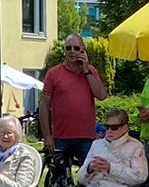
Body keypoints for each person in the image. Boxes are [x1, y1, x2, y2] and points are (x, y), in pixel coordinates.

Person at [39, 34, 106, 171]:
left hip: (86, 137)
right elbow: (44, 105)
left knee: (90, 177)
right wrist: (47, 136)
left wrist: (86, 71)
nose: (72, 51)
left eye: (76, 48)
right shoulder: (53, 73)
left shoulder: (91, 71)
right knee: (60, 175)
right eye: (68, 48)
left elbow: (101, 95)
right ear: (64, 50)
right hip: (61, 137)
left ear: (83, 50)